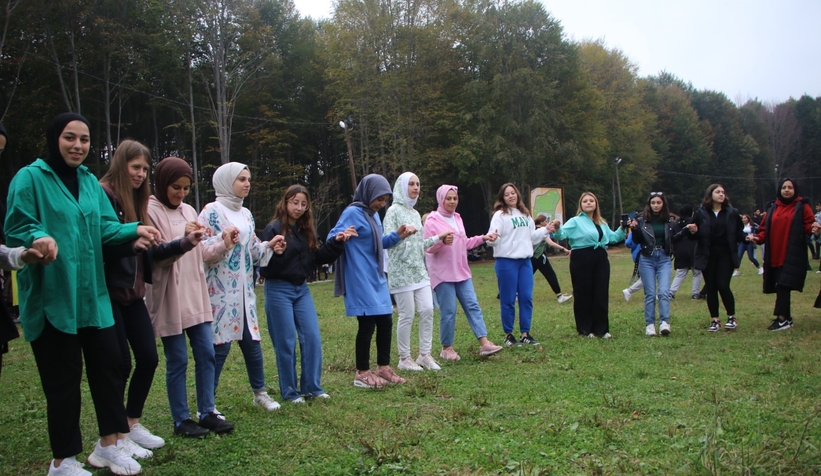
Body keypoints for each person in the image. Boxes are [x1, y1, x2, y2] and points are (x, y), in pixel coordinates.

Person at [4, 113, 163, 476]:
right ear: (54, 139)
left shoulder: (90, 182)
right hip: (53, 297)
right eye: (69, 138)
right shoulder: (30, 178)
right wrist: (37, 238)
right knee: (64, 380)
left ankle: (108, 446)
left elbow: (104, 229)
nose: (77, 146)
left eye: (85, 140)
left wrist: (132, 230)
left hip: (93, 297)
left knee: (109, 366)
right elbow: (17, 224)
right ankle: (63, 461)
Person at [100, 140, 207, 455]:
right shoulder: (105, 194)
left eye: (144, 169)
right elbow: (109, 239)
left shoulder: (137, 200)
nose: (139, 173)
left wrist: (187, 241)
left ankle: (130, 424)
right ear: (120, 163)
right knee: (120, 363)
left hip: (134, 291)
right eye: (135, 167)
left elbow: (154, 252)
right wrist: (137, 238)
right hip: (110, 289)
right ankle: (115, 436)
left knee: (148, 358)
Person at [145, 157, 235, 439]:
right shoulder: (149, 209)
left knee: (206, 353)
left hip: (195, 293)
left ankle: (207, 411)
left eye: (185, 188)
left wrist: (222, 242)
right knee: (178, 359)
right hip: (170, 294)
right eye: (176, 187)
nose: (181, 193)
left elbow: (200, 252)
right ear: (161, 183)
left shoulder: (188, 210)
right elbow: (157, 253)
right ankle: (181, 419)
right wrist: (181, 234)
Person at [198, 162, 284, 412]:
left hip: (244, 293)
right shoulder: (210, 212)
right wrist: (223, 243)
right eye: (241, 179)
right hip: (220, 292)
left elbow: (253, 250)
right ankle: (207, 404)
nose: (247, 183)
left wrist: (270, 246)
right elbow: (201, 250)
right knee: (219, 347)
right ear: (226, 181)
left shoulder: (246, 214)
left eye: (248, 179)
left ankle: (260, 393)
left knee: (252, 343)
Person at [261, 185, 355, 402]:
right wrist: (276, 253)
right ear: (285, 203)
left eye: (303, 204)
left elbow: (318, 257)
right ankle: (290, 392)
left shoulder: (305, 230)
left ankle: (312, 388)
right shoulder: (273, 229)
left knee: (312, 337)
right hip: (278, 289)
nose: (299, 208)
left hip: (301, 290)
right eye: (295, 202)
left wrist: (337, 242)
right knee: (286, 342)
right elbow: (265, 267)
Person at [328, 174, 414, 388]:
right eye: (379, 199)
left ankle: (383, 367)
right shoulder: (353, 212)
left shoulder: (373, 214)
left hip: (376, 274)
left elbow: (379, 242)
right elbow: (332, 234)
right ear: (368, 194)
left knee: (386, 320)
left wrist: (398, 235)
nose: (381, 204)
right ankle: (362, 372)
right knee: (367, 325)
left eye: (385, 200)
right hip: (359, 276)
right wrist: (341, 235)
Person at [423, 185, 503, 360]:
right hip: (443, 274)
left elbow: (463, 242)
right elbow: (428, 247)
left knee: (472, 305)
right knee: (449, 311)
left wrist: (483, 238)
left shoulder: (458, 218)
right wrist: (442, 241)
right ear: (441, 199)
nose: (452, 201)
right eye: (449, 198)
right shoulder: (432, 220)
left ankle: (484, 343)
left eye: (455, 198)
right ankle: (446, 348)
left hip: (461, 271)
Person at [384, 172, 453, 372]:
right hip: (401, 272)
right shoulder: (393, 212)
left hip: (419, 272)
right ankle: (404, 358)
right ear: (401, 187)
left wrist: (438, 238)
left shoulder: (415, 214)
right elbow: (387, 241)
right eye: (411, 184)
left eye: (418, 184)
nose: (416, 188)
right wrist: (401, 235)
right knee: (407, 314)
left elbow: (419, 245)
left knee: (427, 310)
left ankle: (425, 355)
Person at [549, 192, 626, 338]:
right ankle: (585, 328)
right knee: (583, 293)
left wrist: (622, 228)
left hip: (600, 257)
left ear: (596, 204)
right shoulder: (575, 221)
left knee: (601, 292)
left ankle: (602, 329)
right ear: (581, 205)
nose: (589, 203)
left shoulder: (602, 223)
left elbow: (613, 238)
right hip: (581, 257)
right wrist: (558, 228)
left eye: (591, 200)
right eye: (585, 201)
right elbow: (561, 235)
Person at [486, 183, 548, 346]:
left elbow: (532, 237)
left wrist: (547, 230)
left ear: (518, 195)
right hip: (507, 261)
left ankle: (525, 333)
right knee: (508, 299)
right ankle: (508, 335)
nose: (511, 196)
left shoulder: (525, 214)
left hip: (525, 261)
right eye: (507, 194)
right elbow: (494, 235)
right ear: (502, 198)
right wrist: (492, 239)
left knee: (526, 297)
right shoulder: (500, 215)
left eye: (513, 193)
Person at [750, 179, 816, 330]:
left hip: (792, 254)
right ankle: (786, 318)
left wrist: (813, 229)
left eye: (790, 187)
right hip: (774, 254)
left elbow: (809, 224)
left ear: (795, 190)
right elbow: (764, 230)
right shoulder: (773, 208)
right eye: (784, 187)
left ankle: (782, 318)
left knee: (783, 285)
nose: (786, 190)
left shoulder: (802, 206)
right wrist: (757, 238)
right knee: (780, 284)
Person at [686, 184, 746, 332]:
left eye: (723, 192)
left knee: (723, 285)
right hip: (707, 254)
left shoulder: (732, 213)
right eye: (717, 192)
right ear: (710, 195)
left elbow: (738, 233)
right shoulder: (701, 213)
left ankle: (731, 317)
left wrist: (748, 237)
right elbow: (694, 234)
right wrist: (693, 231)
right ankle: (715, 320)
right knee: (711, 287)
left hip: (726, 253)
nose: (721, 194)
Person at [628, 192, 686, 336]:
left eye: (658, 203)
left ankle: (664, 323)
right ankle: (650, 325)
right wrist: (634, 229)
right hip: (647, 257)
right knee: (650, 293)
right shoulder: (642, 221)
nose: (655, 205)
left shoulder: (669, 222)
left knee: (664, 292)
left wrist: (687, 231)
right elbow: (636, 241)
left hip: (664, 258)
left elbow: (674, 239)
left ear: (663, 204)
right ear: (649, 204)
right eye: (653, 203)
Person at [532, 214, 573, 303]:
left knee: (525, 276)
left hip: (532, 257)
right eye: (545, 221)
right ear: (541, 222)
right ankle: (559, 296)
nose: (547, 223)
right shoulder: (541, 231)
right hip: (539, 256)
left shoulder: (533, 230)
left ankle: (505, 294)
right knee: (551, 275)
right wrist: (563, 248)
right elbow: (551, 243)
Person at [669, 205, 703, 300]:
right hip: (693, 249)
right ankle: (695, 293)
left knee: (680, 273)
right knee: (697, 272)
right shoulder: (694, 222)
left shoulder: (676, 224)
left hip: (680, 250)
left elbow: (674, 238)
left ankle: (671, 292)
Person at [621, 228, 643, 301]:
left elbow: (628, 243)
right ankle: (629, 291)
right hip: (642, 255)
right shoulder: (642, 228)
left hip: (637, 255)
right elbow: (627, 243)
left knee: (645, 277)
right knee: (646, 278)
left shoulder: (634, 230)